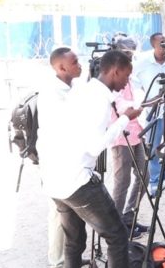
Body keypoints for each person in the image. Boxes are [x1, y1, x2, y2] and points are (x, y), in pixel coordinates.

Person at [40, 50, 141, 268]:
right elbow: (95, 146)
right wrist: (124, 119)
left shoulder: (85, 90)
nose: (127, 82)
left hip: (54, 179)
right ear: (115, 71)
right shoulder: (97, 100)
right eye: (126, 76)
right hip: (76, 181)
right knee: (117, 235)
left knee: (74, 241)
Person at [37, 47, 83, 268]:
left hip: (70, 165)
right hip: (56, 166)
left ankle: (71, 257)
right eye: (75, 62)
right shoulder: (52, 94)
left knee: (72, 215)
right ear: (61, 67)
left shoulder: (72, 87)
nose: (80, 64)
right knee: (58, 216)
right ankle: (57, 261)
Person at [108, 37, 149, 239]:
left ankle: (128, 216)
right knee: (121, 182)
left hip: (137, 133)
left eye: (131, 53)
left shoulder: (130, 76)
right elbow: (118, 104)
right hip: (120, 136)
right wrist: (134, 107)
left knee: (144, 176)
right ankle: (116, 228)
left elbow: (137, 99)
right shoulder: (112, 76)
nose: (129, 57)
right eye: (125, 53)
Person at [133, 32, 165, 196]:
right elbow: (134, 85)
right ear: (153, 44)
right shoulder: (143, 62)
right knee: (153, 147)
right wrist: (149, 100)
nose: (164, 44)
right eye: (161, 42)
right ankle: (155, 180)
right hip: (153, 112)